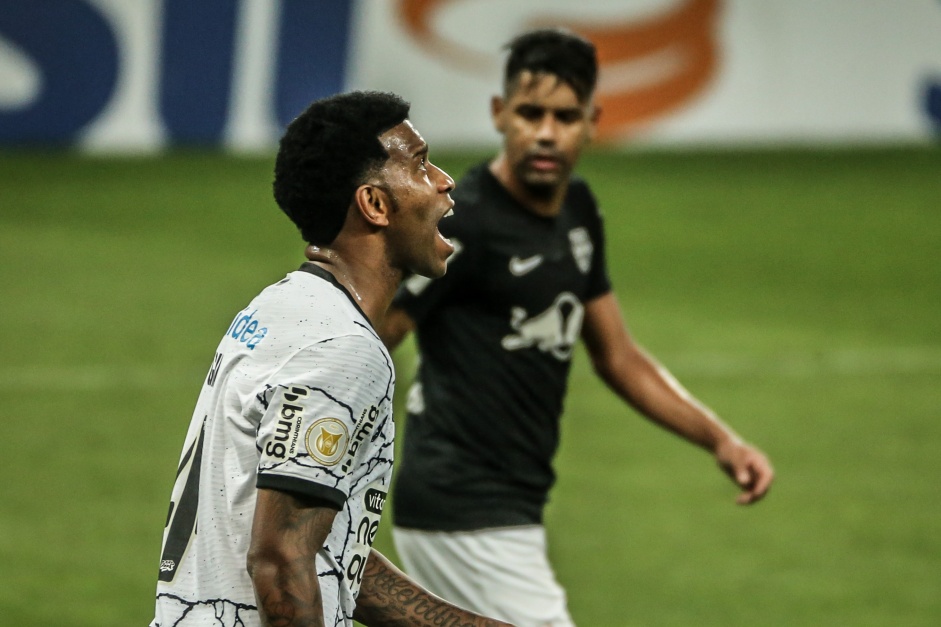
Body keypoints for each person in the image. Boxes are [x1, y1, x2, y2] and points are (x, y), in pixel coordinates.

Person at [374, 29, 775, 626]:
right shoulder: (468, 222)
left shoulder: (578, 212)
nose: (545, 132)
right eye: (530, 112)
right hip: (463, 508)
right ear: (499, 113)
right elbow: (379, 331)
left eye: (565, 117)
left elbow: (619, 356)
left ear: (593, 122)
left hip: (509, 506)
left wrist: (720, 439)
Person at [151, 91, 513, 627]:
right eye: (418, 164)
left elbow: (322, 549)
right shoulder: (342, 349)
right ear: (375, 204)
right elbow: (279, 562)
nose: (444, 180)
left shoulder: (278, 308)